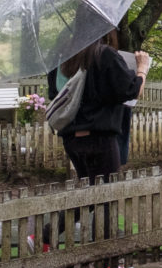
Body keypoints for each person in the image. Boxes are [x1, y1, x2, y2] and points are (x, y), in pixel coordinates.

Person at [56, 30, 149, 181]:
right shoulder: (105, 55)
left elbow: (54, 94)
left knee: (86, 192)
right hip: (100, 140)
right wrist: (142, 69)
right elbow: (132, 90)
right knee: (106, 196)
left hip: (71, 140)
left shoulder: (63, 59)